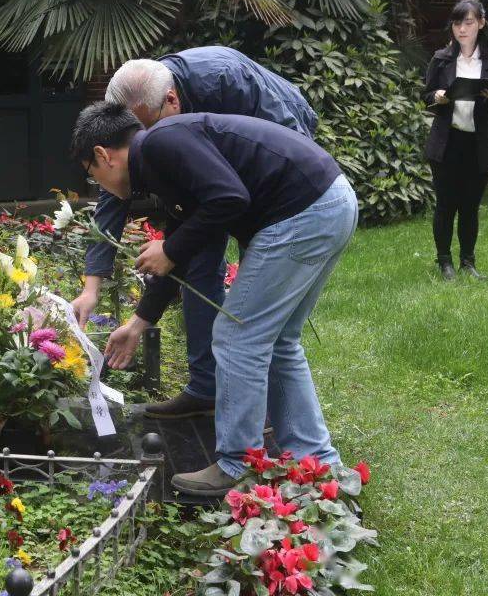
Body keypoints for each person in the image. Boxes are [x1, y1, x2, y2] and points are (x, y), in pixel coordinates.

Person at [70, 102, 357, 496]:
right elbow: (190, 248)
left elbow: (229, 199)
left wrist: (170, 249)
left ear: (103, 155)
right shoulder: (163, 158)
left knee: (237, 337)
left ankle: (238, 464)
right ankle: (319, 464)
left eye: (92, 176)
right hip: (330, 202)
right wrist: (138, 322)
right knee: (279, 341)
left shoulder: (160, 145)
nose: (99, 186)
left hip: (302, 211)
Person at [73, 47, 318, 421]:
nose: (146, 145)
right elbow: (114, 199)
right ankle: (207, 388)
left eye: (148, 132)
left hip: (279, 172)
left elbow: (283, 151)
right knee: (196, 259)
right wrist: (93, 289)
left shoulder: (222, 80)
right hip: (221, 190)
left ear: (171, 100)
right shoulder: (135, 127)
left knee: (254, 318)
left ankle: (260, 414)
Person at [422, 0, 488, 281]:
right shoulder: (442, 59)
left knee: (470, 205)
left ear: (481, 22)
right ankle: (445, 262)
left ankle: (468, 262)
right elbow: (426, 98)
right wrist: (439, 97)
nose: (462, 29)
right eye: (457, 23)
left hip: (479, 144)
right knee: (446, 204)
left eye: (468, 22)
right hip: (447, 142)